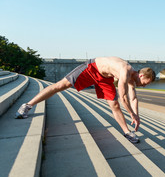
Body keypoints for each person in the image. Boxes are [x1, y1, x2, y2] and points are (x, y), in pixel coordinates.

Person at [15, 57, 156, 143]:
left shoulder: (133, 79)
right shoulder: (125, 71)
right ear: (142, 75)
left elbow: (133, 97)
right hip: (92, 68)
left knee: (114, 104)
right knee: (60, 86)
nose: (143, 86)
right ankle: (28, 105)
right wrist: (132, 114)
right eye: (144, 83)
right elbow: (124, 97)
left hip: (105, 78)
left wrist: (136, 115)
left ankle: (127, 132)